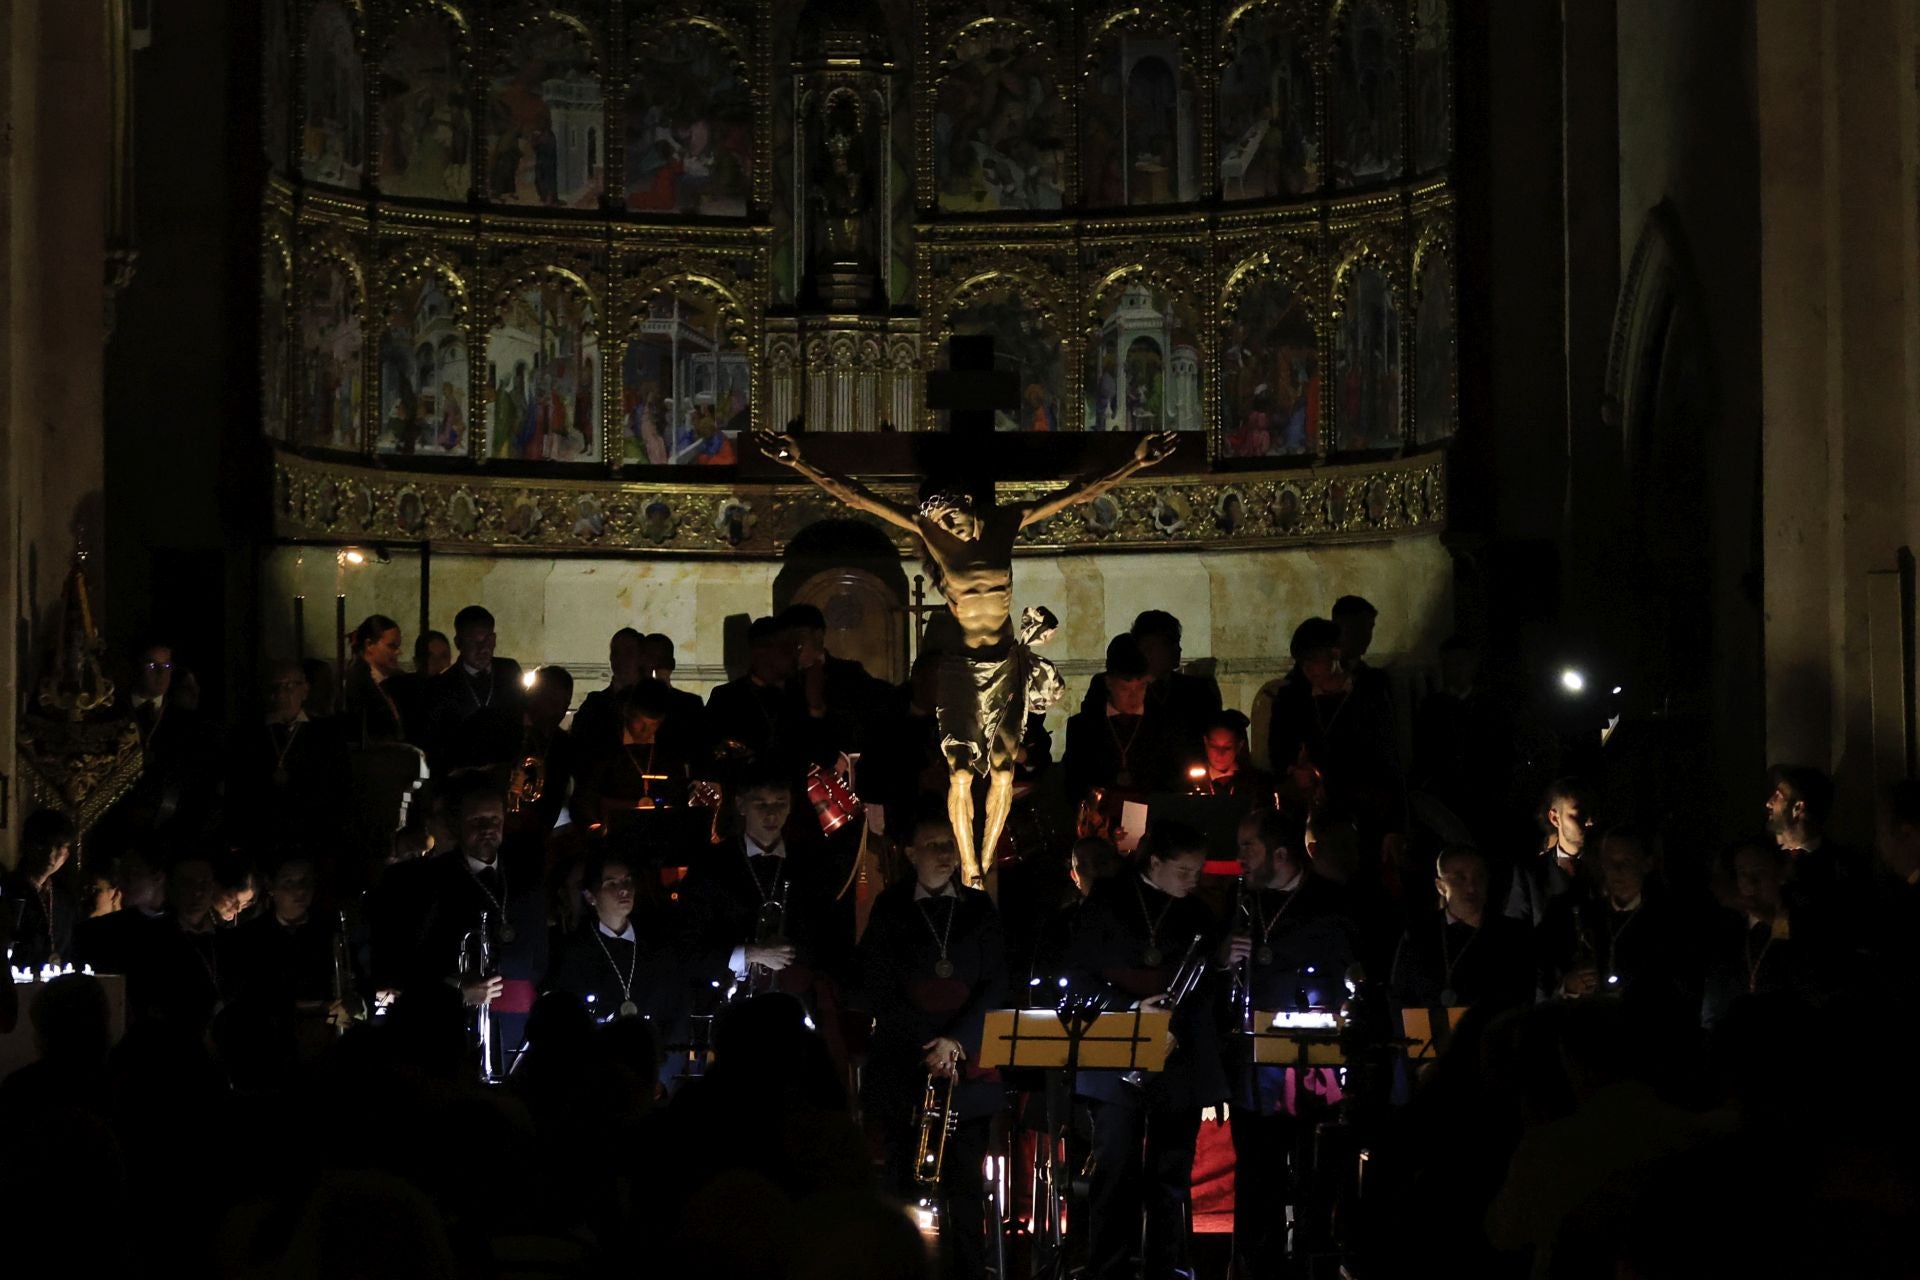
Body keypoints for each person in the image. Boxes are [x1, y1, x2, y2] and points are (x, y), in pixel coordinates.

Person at [760, 427, 1179, 884]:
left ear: (967, 504)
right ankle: (971, 866)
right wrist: (799, 463)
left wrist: (1135, 462)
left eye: (953, 519)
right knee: (960, 773)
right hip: (961, 666)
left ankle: (984, 854)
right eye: (940, 524)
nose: (948, 529)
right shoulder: (935, 535)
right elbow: (859, 498)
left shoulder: (1004, 524)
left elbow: (1076, 493)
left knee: (1001, 770)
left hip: (1003, 664)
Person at [1063, 820, 1228, 1280]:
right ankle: (1107, 1269)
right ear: (1154, 863)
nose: (1193, 879)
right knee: (1114, 1171)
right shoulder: (1107, 902)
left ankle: (1165, 1266)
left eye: (1198, 869)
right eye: (1183, 870)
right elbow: (1078, 976)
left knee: (1170, 1175)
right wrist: (1133, 1007)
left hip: (1179, 1059)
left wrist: (1178, 1023)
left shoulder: (1197, 914)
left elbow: (1206, 992)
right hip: (1115, 1054)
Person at [856, 812, 1007, 1280]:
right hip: (907, 1059)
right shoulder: (890, 906)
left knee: (965, 1185)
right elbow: (876, 983)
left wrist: (956, 1041)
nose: (945, 854)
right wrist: (930, 1042)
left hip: (967, 1062)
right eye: (934, 844)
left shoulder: (980, 907)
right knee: (902, 1180)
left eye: (950, 844)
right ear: (910, 853)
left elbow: (998, 983)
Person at [1224, 807, 1355, 1278]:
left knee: (1315, 1173)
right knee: (1257, 1174)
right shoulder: (1239, 901)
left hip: (1313, 1062)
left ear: (1279, 854)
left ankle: (1313, 1261)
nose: (1238, 857)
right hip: (1253, 1063)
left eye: (1247, 847)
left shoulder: (1330, 902)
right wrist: (1224, 958)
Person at [370, 771, 549, 1074]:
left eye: (494, 820)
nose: (488, 829)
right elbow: (398, 967)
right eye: (477, 821)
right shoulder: (422, 882)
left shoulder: (525, 879)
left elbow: (539, 959)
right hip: (446, 1032)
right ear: (455, 825)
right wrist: (456, 987)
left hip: (516, 1031)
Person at [1260, 618, 1405, 873]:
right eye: (1302, 661)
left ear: (1335, 654)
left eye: (1313, 659)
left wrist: (1393, 825)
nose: (1307, 668)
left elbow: (1387, 760)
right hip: (1309, 813)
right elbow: (1278, 752)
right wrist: (1295, 769)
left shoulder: (1368, 695)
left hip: (1361, 809)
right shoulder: (1292, 698)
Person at [547, 848, 691, 1082]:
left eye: (627, 881)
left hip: (654, 1075)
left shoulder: (658, 947)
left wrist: (664, 1078)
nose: (623, 889)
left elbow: (676, 1014)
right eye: (610, 883)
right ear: (590, 896)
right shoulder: (574, 952)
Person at [1389, 846, 1534, 1011]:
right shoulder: (1419, 934)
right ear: (1441, 886)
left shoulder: (1512, 935)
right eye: (1460, 878)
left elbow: (1522, 996)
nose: (1471, 888)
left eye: (1479, 878)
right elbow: (1400, 995)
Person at [1064, 634, 1183, 803]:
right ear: (1109, 683)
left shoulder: (1163, 725)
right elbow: (1074, 782)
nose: (1134, 698)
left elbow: (1172, 780)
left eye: (1140, 687)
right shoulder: (1083, 727)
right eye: (1125, 689)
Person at [1081, 611, 1224, 751]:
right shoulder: (1108, 686)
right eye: (1170, 643)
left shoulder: (1197, 691)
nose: (1178, 649)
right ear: (1146, 647)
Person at [421, 605, 526, 772]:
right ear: (458, 643)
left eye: (488, 640)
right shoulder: (442, 685)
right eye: (472, 641)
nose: (482, 648)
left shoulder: (509, 671)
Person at [704, 615, 801, 763]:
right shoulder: (726, 698)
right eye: (786, 648)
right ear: (761, 651)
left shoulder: (801, 694)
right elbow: (710, 751)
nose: (795, 655)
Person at [1506, 778, 1597, 928]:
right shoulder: (1531, 874)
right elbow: (1516, 934)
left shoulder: (1605, 868)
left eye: (1592, 813)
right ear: (1555, 818)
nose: (1589, 821)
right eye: (1579, 814)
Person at [2, 809, 79, 969]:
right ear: (24, 845)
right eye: (42, 843)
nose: (50, 853)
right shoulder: (6, 890)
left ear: (66, 855)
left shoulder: (64, 901)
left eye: (58, 846)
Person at [571, 627, 646, 778]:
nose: (621, 659)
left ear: (641, 658)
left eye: (628, 653)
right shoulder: (595, 704)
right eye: (616, 653)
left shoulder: (654, 702)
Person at [340, 614, 408, 744]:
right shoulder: (357, 681)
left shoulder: (392, 681)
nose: (398, 652)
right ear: (369, 644)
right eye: (391, 646)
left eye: (398, 646)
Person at [1189, 710, 1275, 807]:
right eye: (1214, 746)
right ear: (1206, 742)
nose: (1220, 753)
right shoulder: (1190, 782)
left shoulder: (1258, 783)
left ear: (1239, 746)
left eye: (1227, 747)